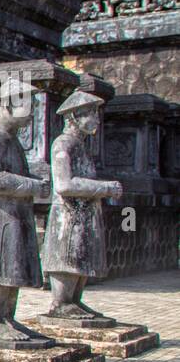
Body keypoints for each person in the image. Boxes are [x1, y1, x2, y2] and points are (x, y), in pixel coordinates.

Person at [0, 78, 53, 346]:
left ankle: (6, 318)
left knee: (13, 268)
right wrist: (31, 185)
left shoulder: (13, 142)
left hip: (16, 214)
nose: (31, 112)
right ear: (7, 104)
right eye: (26, 105)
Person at [41, 90, 124, 319]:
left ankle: (74, 301)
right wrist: (104, 188)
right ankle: (61, 303)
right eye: (90, 114)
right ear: (73, 117)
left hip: (84, 214)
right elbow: (64, 184)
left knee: (81, 257)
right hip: (68, 215)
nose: (96, 119)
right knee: (68, 256)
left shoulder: (82, 146)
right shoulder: (63, 144)